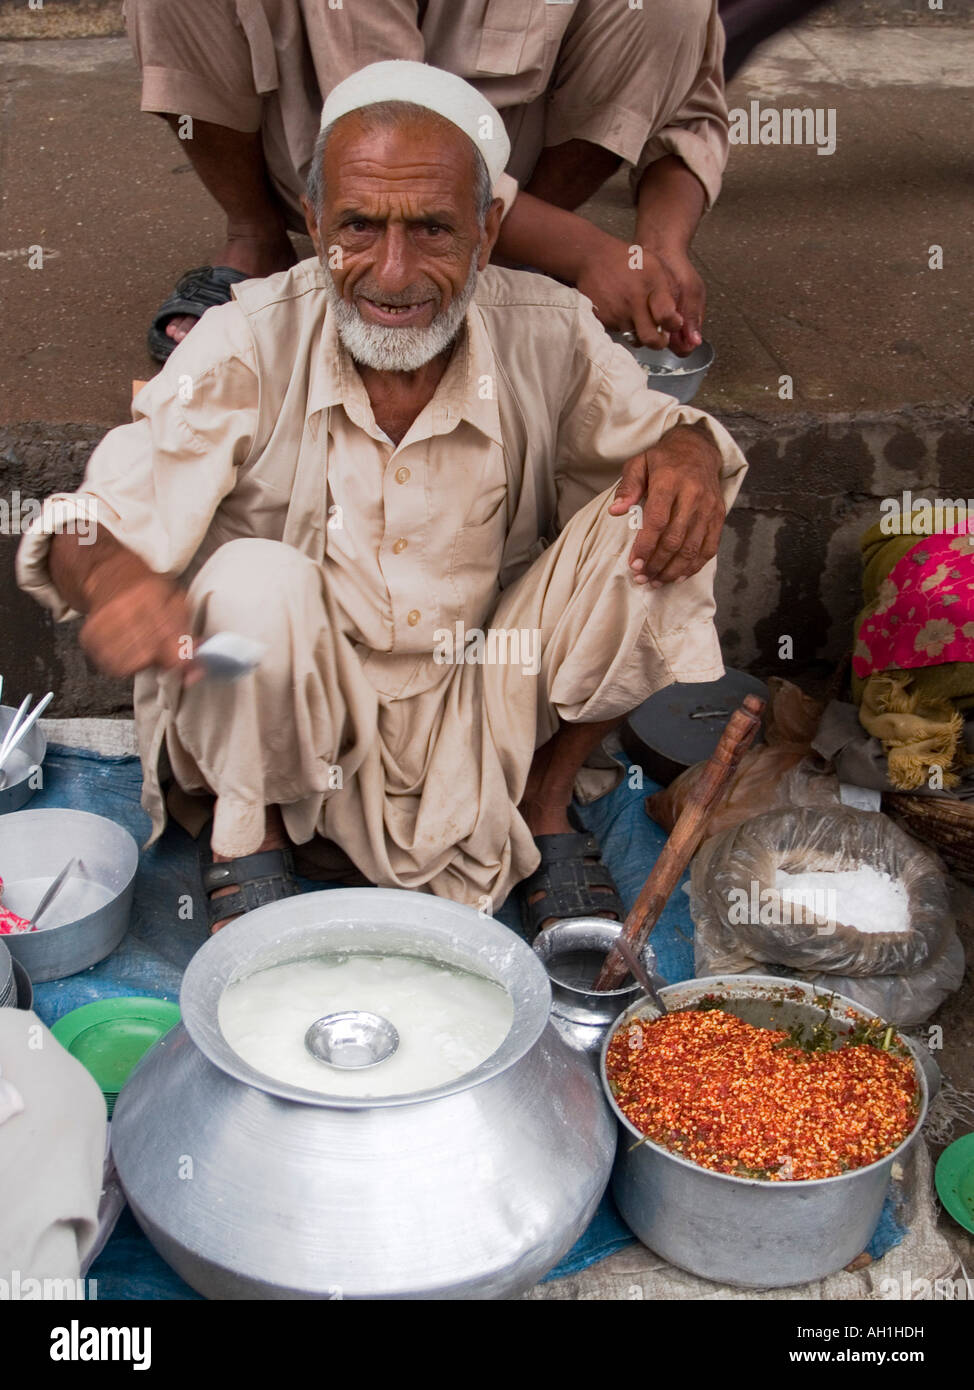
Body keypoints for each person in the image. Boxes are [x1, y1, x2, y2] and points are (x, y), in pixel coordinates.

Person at [18, 63, 747, 935]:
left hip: (483, 701)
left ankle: (546, 805)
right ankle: (245, 840)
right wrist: (110, 582)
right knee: (254, 581)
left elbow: (664, 436)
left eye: (432, 230)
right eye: (359, 227)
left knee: (660, 516)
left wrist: (689, 447)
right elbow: (79, 518)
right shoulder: (248, 335)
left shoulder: (548, 327)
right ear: (316, 223)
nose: (392, 273)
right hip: (297, 713)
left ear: (488, 230)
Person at [124, 0, 728, 361]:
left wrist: (662, 246)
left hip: (524, 165)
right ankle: (253, 235)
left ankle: (506, 259)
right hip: (326, 140)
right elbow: (381, 108)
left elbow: (688, 111)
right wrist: (591, 250)